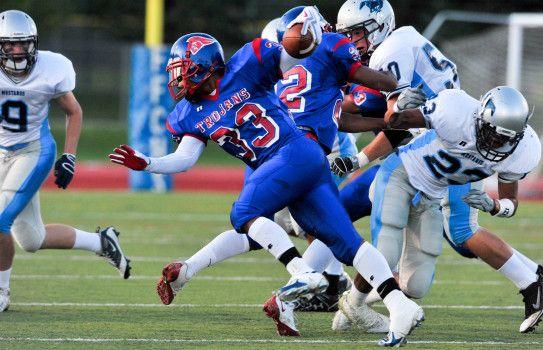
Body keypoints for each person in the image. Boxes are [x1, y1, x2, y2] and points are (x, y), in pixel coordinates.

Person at [109, 6, 424, 346]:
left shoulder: (246, 65)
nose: (177, 78)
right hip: (302, 161)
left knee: (243, 213)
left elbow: (290, 63)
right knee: (346, 243)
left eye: (183, 69)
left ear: (204, 65)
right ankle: (399, 304)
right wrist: (149, 163)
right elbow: (184, 158)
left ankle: (303, 273)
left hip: (291, 150)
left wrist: (302, 40)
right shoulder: (187, 113)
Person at [330, 0, 543, 333]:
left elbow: (509, 201)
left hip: (442, 154)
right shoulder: (451, 110)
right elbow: (398, 123)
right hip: (425, 154)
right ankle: (338, 287)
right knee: (379, 227)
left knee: (457, 234)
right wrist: (361, 156)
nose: (355, 41)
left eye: (358, 32)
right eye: (350, 34)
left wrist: (496, 205)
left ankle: (532, 280)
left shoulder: (519, 148)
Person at [0, 10, 131, 312]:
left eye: (24, 44)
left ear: (34, 43)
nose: (18, 51)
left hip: (32, 151)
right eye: (10, 45)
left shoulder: (51, 67)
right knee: (31, 239)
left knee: (1, 221)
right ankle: (102, 242)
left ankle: (2, 292)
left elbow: (74, 111)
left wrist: (69, 156)